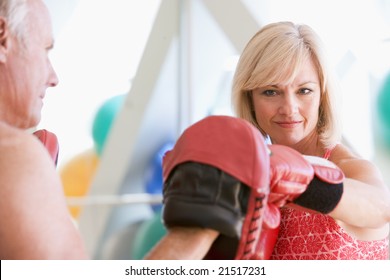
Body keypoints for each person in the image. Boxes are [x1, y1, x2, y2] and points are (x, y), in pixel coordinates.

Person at [146, 21, 390, 260]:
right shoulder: (243, 178)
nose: (289, 108)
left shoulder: (349, 168)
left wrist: (300, 182)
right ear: (250, 98)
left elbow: (380, 209)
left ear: (322, 96)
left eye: (304, 90)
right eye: (270, 92)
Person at [0, 0, 87, 259]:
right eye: (46, 51)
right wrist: (192, 234)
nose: (53, 77)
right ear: (3, 40)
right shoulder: (11, 155)